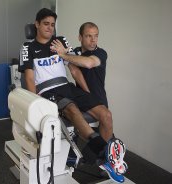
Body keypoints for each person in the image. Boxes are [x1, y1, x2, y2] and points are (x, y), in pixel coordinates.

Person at [18, 8, 127, 183]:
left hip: (68, 87)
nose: (50, 28)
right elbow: (30, 78)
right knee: (72, 109)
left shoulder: (59, 41)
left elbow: (74, 69)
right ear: (36, 24)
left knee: (105, 114)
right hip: (48, 91)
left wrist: (87, 94)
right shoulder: (27, 47)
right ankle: (104, 153)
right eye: (46, 24)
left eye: (52, 25)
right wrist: (35, 106)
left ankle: (107, 162)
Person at [51, 22, 108, 107]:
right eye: (89, 36)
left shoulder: (101, 53)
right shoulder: (75, 52)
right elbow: (74, 71)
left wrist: (64, 55)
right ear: (80, 37)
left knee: (106, 117)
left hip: (99, 99)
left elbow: (88, 63)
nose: (93, 40)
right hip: (82, 98)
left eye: (96, 36)